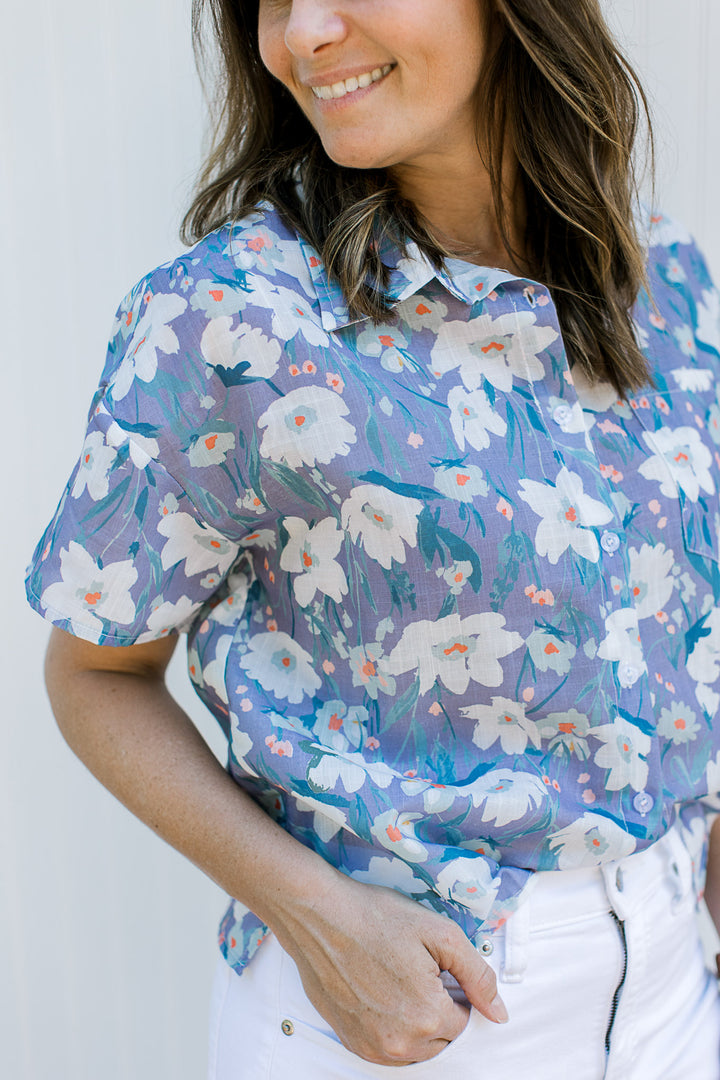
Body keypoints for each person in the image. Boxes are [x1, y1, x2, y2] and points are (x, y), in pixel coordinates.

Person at [25, 0, 720, 1076]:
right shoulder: (230, 317)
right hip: (407, 1015)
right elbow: (93, 675)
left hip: (676, 995)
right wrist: (316, 917)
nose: (302, 32)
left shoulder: (663, 277)